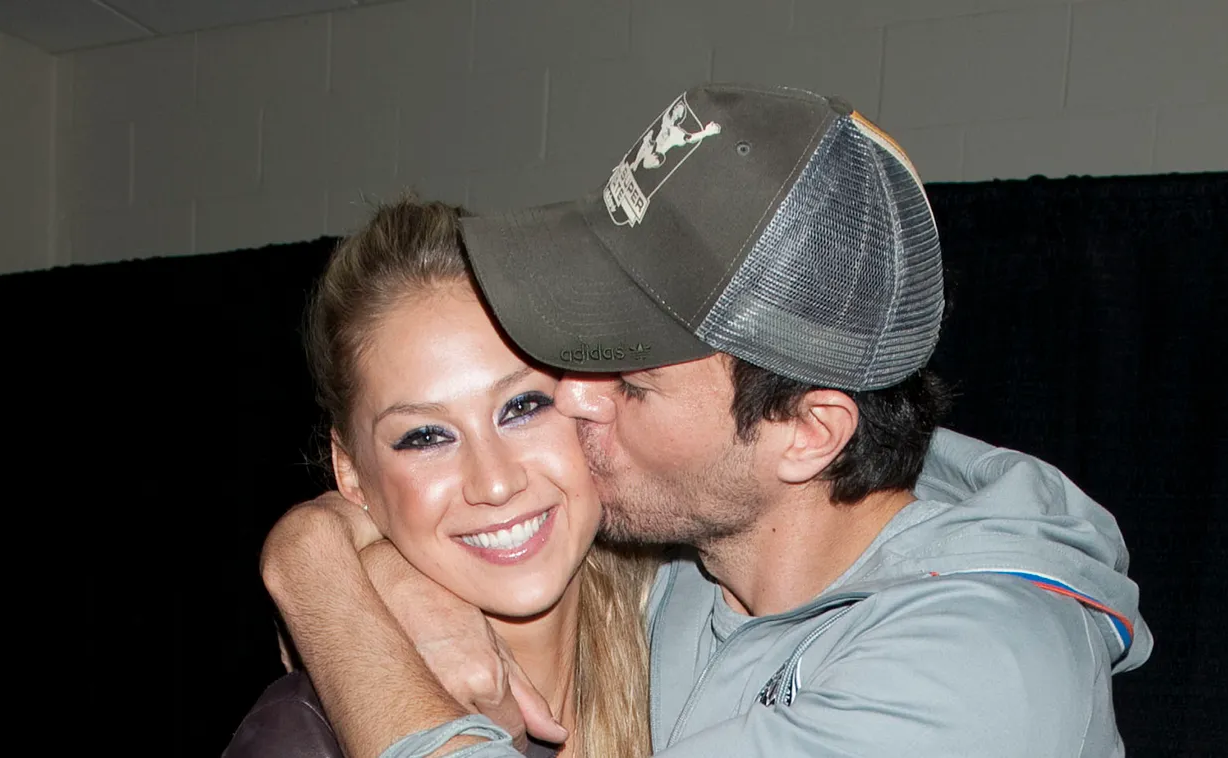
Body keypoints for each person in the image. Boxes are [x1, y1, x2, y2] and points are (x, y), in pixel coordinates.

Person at [263, 83, 1154, 758]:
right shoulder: (688, 564)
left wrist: (308, 571)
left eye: (631, 380)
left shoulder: (973, 673)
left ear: (805, 434)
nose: (571, 397)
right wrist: (384, 568)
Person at [229, 199, 656, 758]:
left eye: (523, 406)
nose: (495, 483)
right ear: (351, 474)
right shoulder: (299, 739)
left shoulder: (702, 635)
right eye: (426, 437)